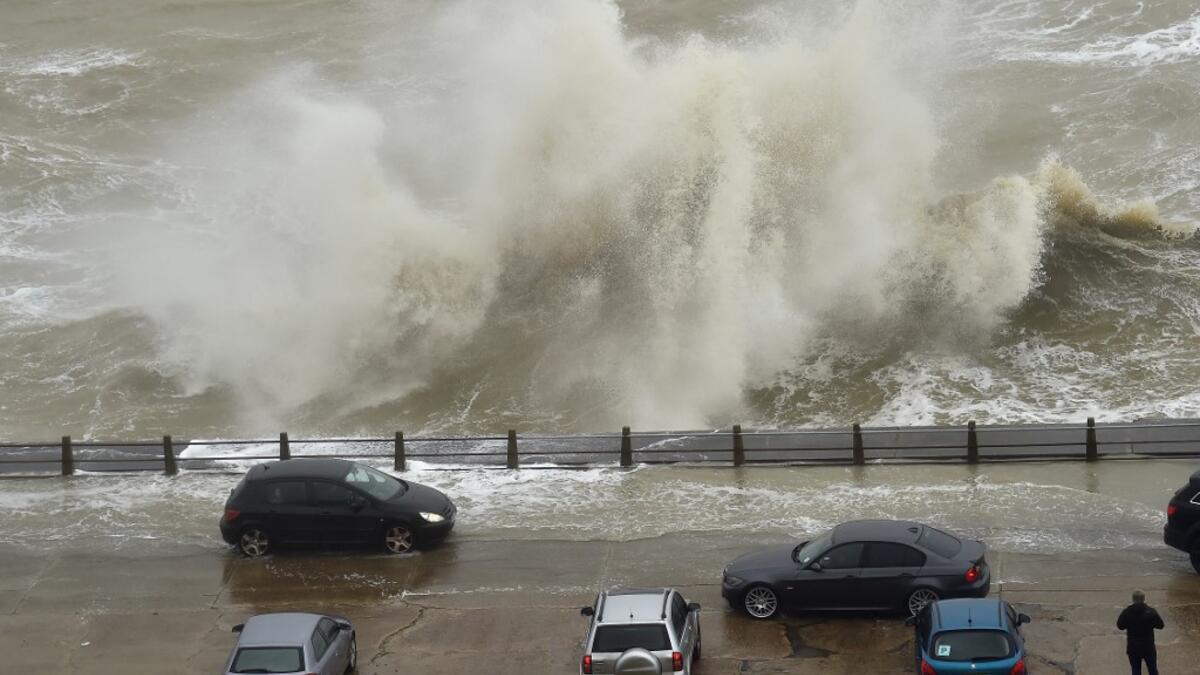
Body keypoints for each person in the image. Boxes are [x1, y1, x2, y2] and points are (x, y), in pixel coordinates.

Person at [1116, 590, 1165, 675]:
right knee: (1152, 670)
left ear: (1133, 599)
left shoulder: (1127, 612)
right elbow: (1161, 626)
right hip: (1148, 646)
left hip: (1133, 647)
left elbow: (1120, 626)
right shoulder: (1151, 611)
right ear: (1144, 599)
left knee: (1136, 670)